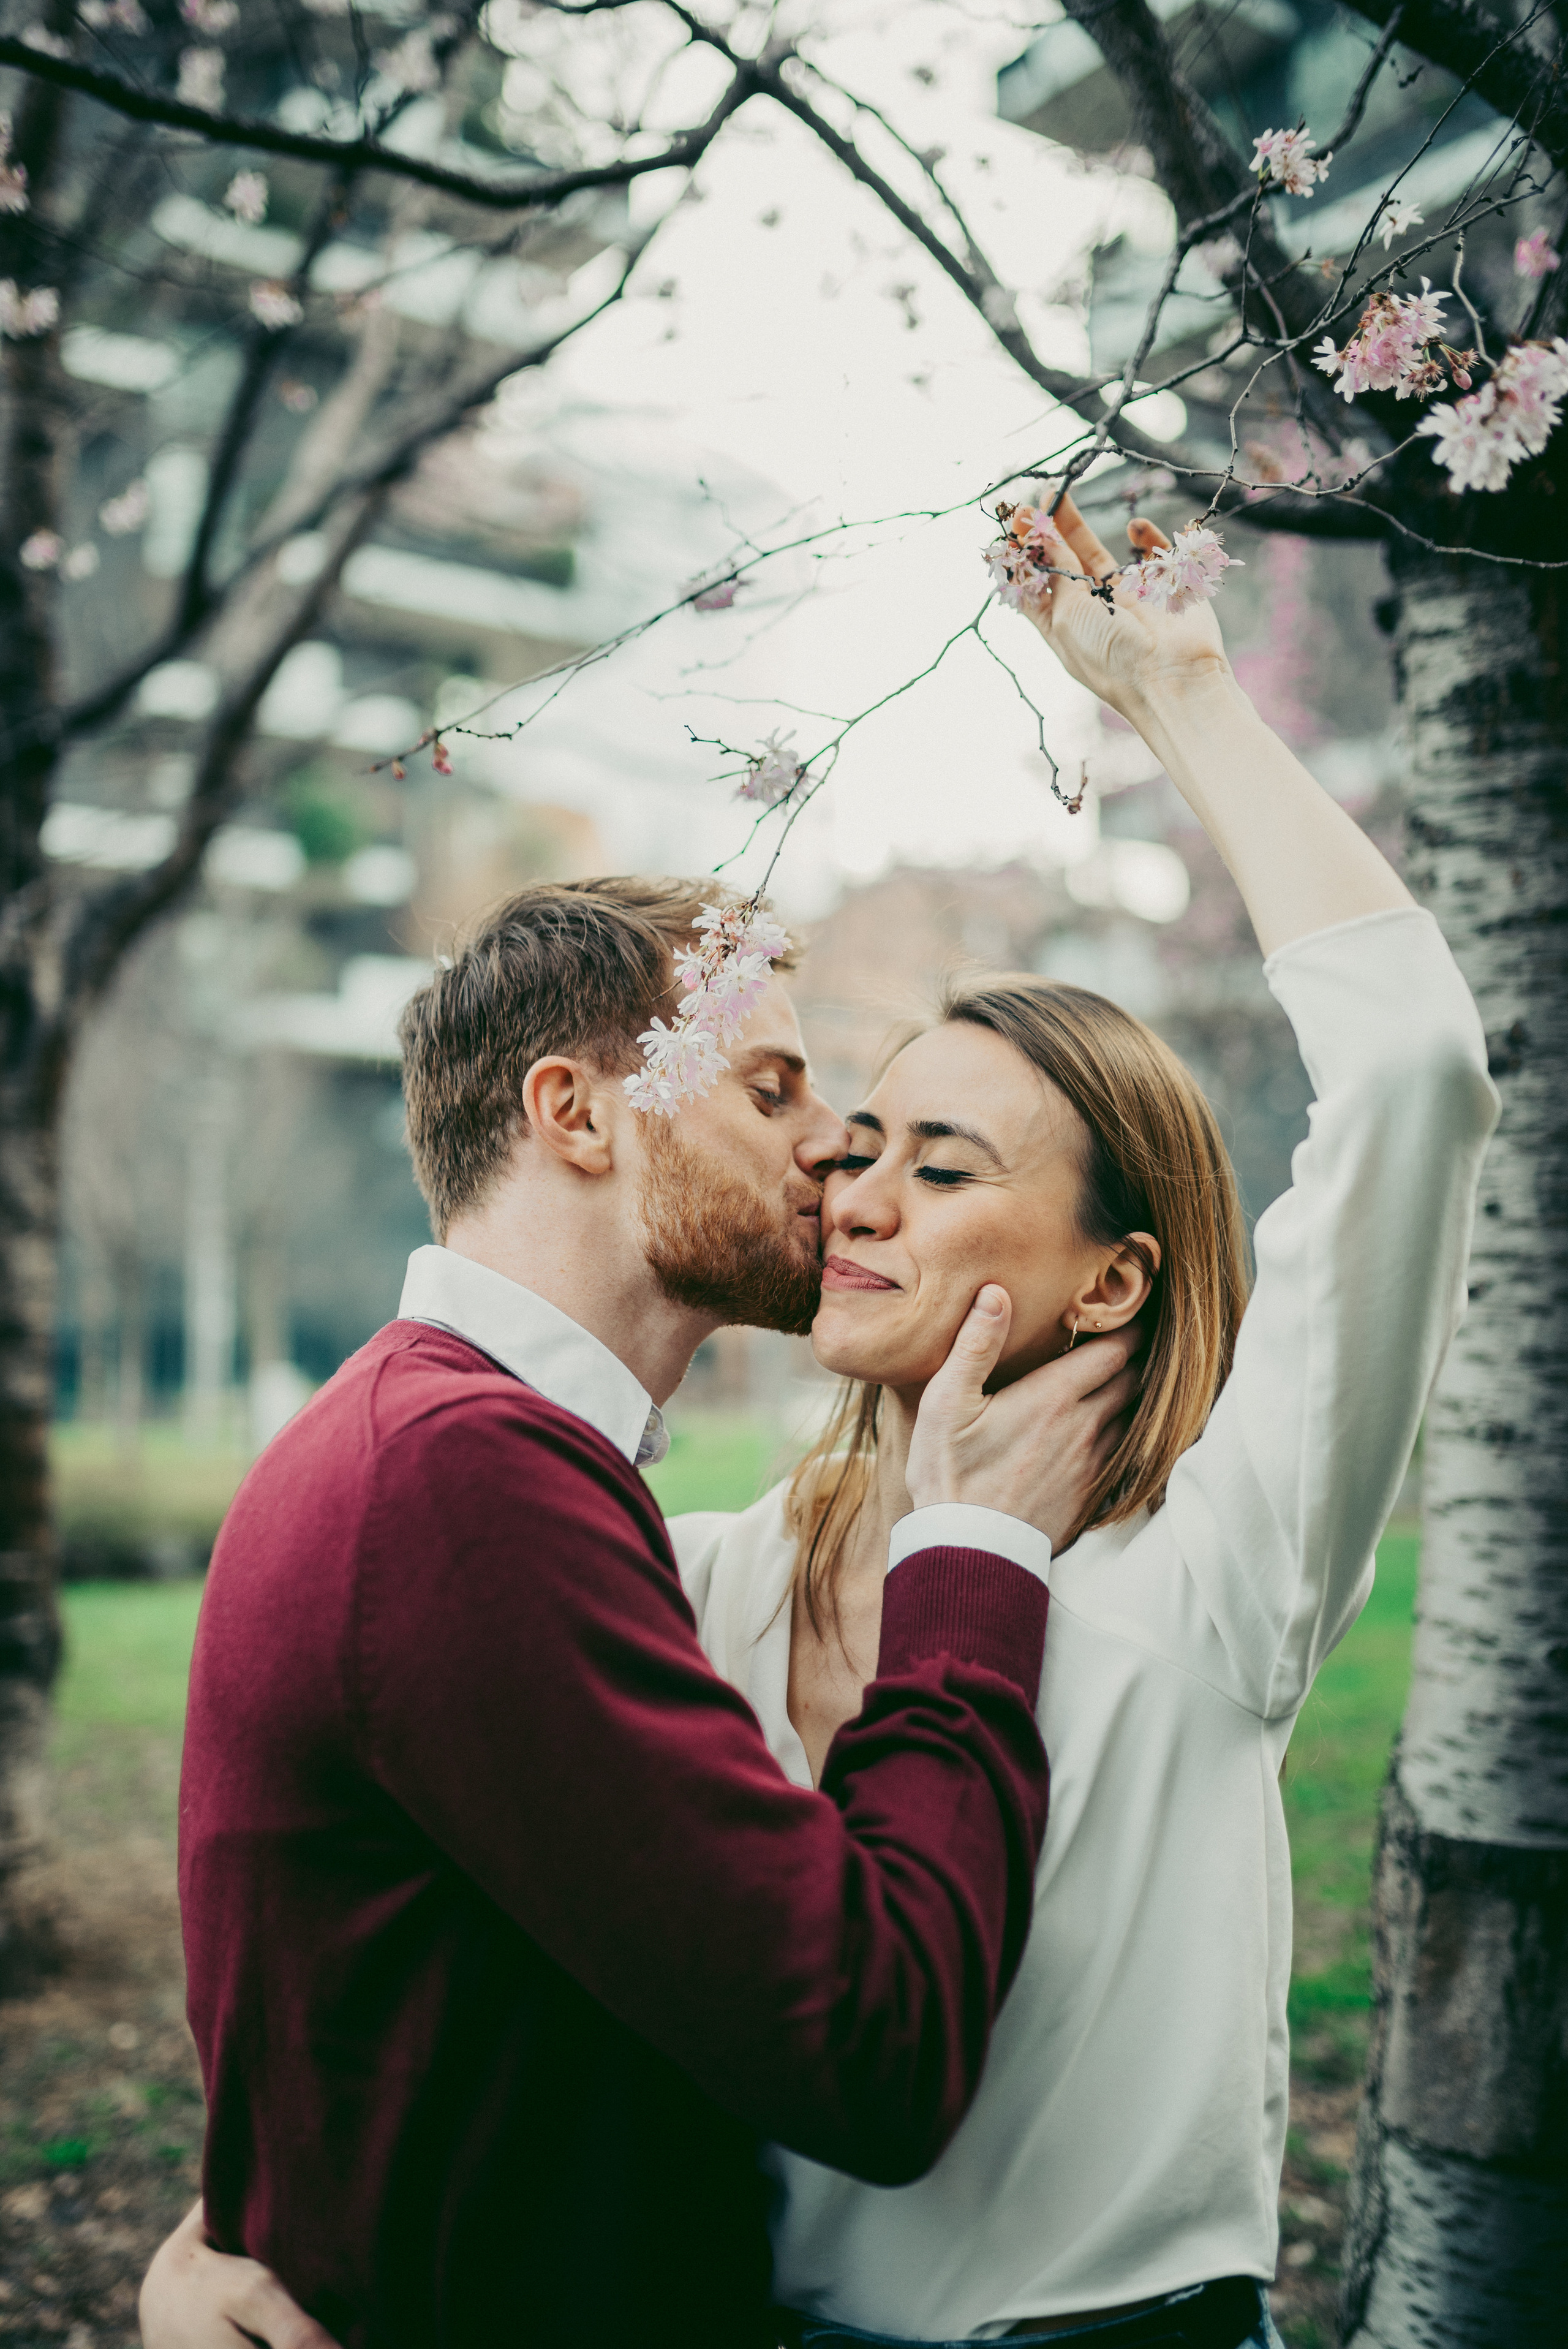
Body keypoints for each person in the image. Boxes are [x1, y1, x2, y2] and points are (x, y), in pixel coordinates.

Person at [144, 496, 1497, 2349]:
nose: (846, 1189)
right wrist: (219, 2226)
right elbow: (445, 1913)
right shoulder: (694, 1572)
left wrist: (1178, 698)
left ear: (1113, 1277)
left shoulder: (1222, 1550)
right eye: (846, 1137)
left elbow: (1417, 1072)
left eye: (935, 1166)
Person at [158, 871, 1142, 2349]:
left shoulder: (433, 1441)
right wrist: (973, 1561)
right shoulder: (461, 1483)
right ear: (576, 1115)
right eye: (769, 1090)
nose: (833, 1148)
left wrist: (217, 2221)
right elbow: (871, 2050)